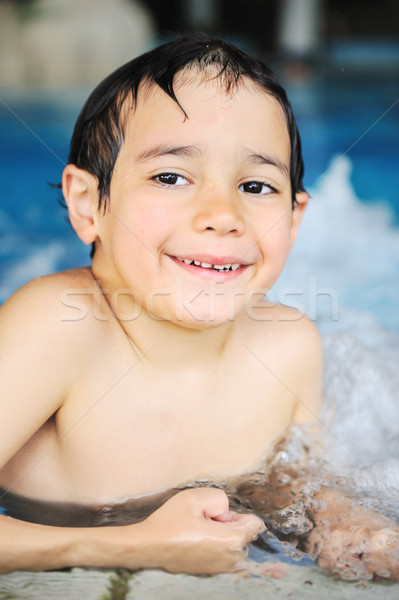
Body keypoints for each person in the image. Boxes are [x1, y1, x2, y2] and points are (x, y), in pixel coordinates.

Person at [0, 37, 398, 579]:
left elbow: (281, 483)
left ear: (295, 219)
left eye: (256, 185)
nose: (222, 214)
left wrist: (338, 520)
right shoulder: (58, 330)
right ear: (87, 205)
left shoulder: (288, 346)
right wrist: (125, 547)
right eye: (170, 177)